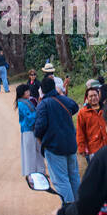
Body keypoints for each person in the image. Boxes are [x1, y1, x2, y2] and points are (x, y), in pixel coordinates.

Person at [31, 75, 80, 203]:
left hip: (54, 147)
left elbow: (39, 127)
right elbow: (75, 106)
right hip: (70, 144)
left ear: (42, 90)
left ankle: (69, 212)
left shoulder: (44, 104)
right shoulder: (62, 100)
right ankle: (79, 209)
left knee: (61, 180)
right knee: (74, 177)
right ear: (54, 87)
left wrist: (39, 137)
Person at [16, 83, 45, 176]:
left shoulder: (27, 101)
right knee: (30, 153)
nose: (29, 92)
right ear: (22, 93)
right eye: (27, 91)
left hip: (32, 130)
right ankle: (31, 175)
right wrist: (38, 113)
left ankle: (40, 172)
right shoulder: (21, 103)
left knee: (38, 151)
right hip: (28, 131)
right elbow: (28, 118)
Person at [77, 81, 107, 162]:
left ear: (99, 96)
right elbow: (80, 131)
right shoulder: (83, 113)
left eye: (95, 95)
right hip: (94, 148)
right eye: (90, 96)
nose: (93, 98)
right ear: (87, 98)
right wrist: (81, 147)